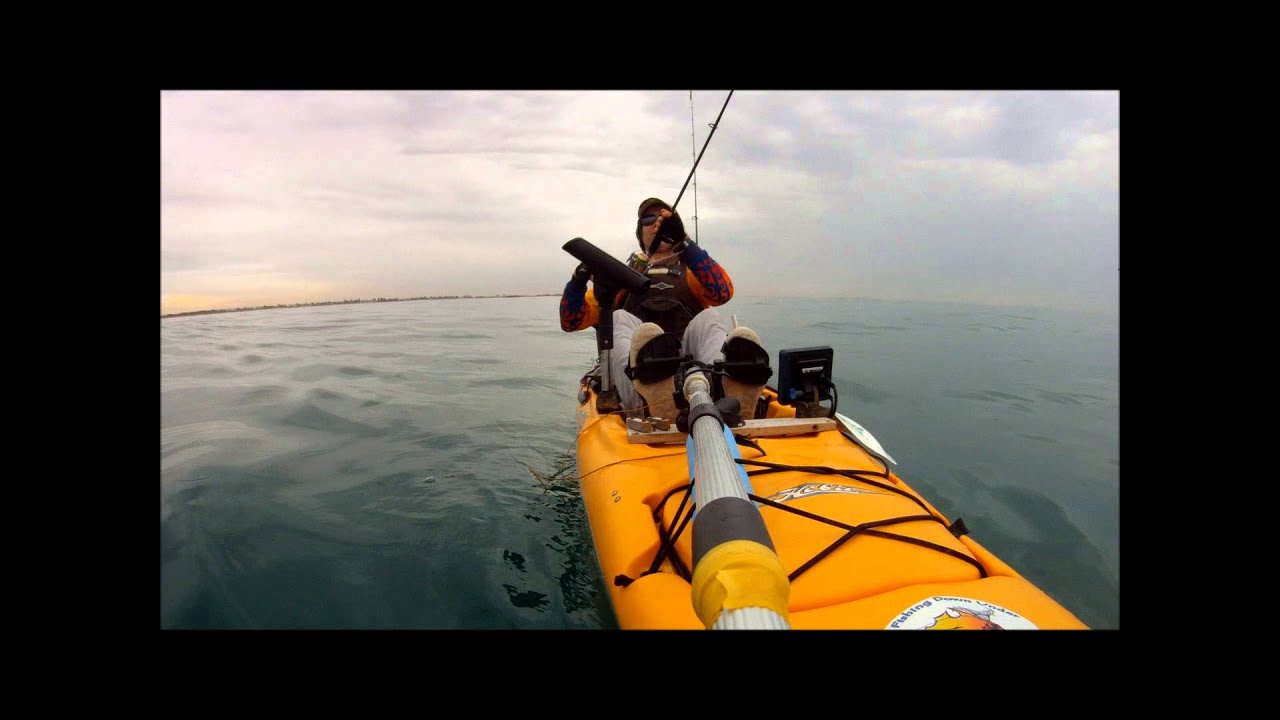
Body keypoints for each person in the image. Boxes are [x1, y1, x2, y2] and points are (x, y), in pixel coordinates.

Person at [560, 197, 772, 423]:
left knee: (709, 317)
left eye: (663, 220)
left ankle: (727, 395)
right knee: (619, 317)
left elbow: (723, 292)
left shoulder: (693, 270)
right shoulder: (620, 276)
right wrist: (577, 282)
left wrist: (684, 243)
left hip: (692, 369)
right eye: (648, 219)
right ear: (639, 231)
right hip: (641, 377)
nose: (655, 224)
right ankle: (646, 401)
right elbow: (571, 322)